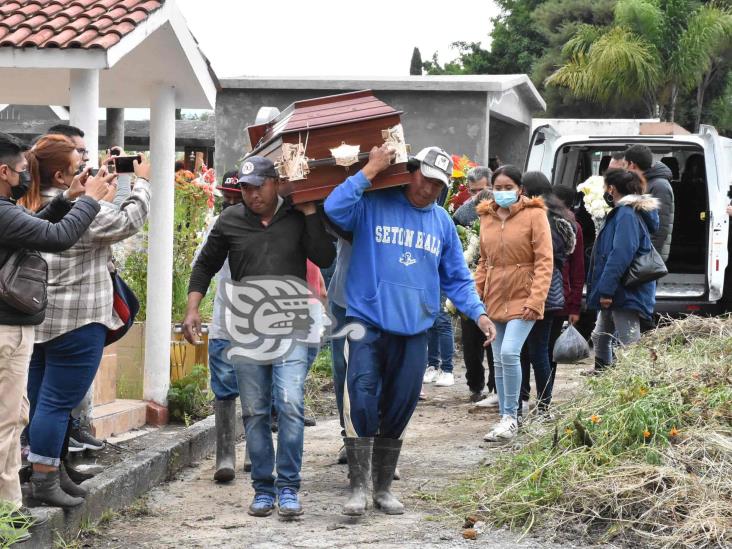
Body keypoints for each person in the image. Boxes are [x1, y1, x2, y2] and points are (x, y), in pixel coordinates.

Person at [324, 145, 496, 517]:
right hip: (365, 323)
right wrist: (370, 170)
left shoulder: (441, 223)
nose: (430, 189)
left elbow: (457, 278)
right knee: (362, 401)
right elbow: (334, 208)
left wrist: (479, 314)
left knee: (400, 405)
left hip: (414, 328)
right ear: (410, 171)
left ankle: (383, 488)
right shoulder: (373, 204)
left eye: (439, 185)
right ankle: (358, 487)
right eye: (426, 179)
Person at [184, 156, 335, 519]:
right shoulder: (230, 221)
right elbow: (204, 265)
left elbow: (325, 255)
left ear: (275, 183)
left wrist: (312, 212)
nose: (252, 195)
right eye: (246, 189)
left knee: (290, 404)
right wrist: (192, 309)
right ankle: (263, 490)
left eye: (258, 186)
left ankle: (288, 488)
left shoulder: (298, 217)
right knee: (253, 411)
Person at [25, 135, 150, 508]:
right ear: (63, 176)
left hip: (38, 320)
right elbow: (129, 220)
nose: (86, 170)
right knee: (56, 403)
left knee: (43, 401)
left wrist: (96, 186)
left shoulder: (27, 205)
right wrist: (141, 180)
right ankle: (45, 481)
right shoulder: (85, 211)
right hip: (78, 321)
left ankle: (51, 470)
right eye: (80, 165)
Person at [0, 132, 109, 542]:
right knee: (7, 423)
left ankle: (10, 509)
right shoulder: (1, 211)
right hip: (6, 331)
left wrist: (68, 200)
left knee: (14, 420)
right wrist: (91, 201)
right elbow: (57, 238)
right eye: (22, 171)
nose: (28, 176)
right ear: (4, 171)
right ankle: (5, 516)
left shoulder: (7, 211)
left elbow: (36, 226)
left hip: (14, 330)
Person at [474, 165, 553, 441]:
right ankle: (505, 418)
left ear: (520, 189)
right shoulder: (486, 217)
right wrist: (476, 295)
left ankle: (512, 415)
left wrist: (536, 298)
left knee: (510, 353)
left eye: (509, 187)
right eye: (498, 187)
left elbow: (545, 260)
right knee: (498, 359)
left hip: (524, 296)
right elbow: (484, 261)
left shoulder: (535, 215)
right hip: (495, 296)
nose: (503, 192)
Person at [586, 169, 660, 373]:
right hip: (620, 287)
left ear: (612, 188)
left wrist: (607, 290)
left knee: (629, 342)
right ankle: (602, 373)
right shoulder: (625, 211)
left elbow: (621, 254)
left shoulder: (626, 214)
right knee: (600, 335)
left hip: (625, 289)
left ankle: (635, 383)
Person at [198, 170, 243, 483]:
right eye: (228, 198)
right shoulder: (219, 225)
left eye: (236, 198)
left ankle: (256, 450)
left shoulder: (267, 225)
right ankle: (225, 453)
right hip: (225, 320)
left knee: (260, 388)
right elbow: (200, 266)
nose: (231, 203)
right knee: (225, 384)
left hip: (262, 323)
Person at [518, 172, 576, 414]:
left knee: (536, 350)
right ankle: (536, 401)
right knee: (535, 349)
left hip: (541, 292)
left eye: (521, 188)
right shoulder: (559, 215)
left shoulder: (544, 218)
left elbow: (541, 258)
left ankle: (542, 403)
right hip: (550, 292)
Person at [550, 185, 586, 383]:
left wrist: (574, 306)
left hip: (559, 299)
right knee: (547, 351)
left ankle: (534, 397)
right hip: (562, 298)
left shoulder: (572, 227)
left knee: (547, 350)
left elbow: (577, 269)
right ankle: (540, 398)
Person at [625, 144, 674, 261]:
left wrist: (647, 258)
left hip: (650, 256)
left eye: (625, 164)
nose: (625, 169)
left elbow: (660, 228)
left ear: (632, 164)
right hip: (641, 251)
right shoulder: (643, 182)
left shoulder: (659, 186)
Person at [422, 294, 455, 387]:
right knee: (430, 324)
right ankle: (433, 367)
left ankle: (447, 371)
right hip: (427, 283)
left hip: (442, 283)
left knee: (443, 323)